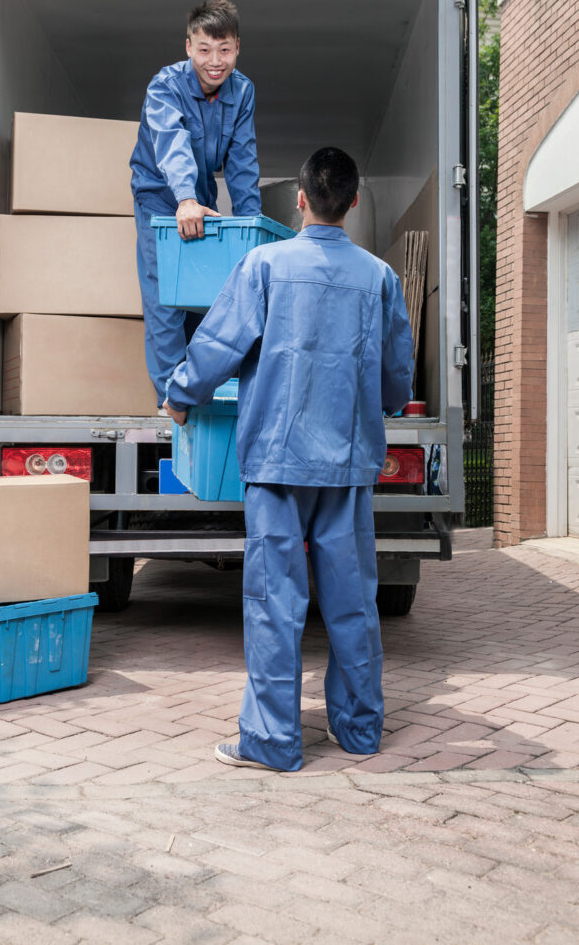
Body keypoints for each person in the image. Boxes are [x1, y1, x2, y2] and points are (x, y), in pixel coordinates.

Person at [163, 146, 415, 772]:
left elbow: (220, 341)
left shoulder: (263, 264)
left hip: (276, 462)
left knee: (276, 602)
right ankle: (358, 731)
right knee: (352, 601)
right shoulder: (380, 277)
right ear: (354, 202)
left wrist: (180, 394)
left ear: (299, 199)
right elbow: (395, 381)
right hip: (349, 465)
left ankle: (272, 741)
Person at [130, 0, 261, 404]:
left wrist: (251, 230)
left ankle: (201, 390)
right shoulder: (164, 86)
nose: (215, 61)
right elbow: (172, 142)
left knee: (205, 298)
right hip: (160, 199)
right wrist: (184, 198)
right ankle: (172, 401)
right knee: (167, 299)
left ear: (237, 46)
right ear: (189, 47)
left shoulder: (242, 91)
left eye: (224, 50)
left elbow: (242, 161)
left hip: (199, 197)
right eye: (204, 50)